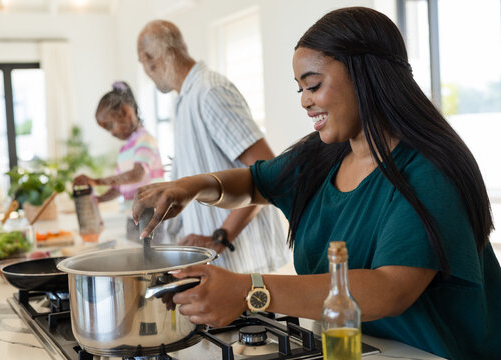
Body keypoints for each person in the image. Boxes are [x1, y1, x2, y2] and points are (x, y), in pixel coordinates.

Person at [132, 7, 501, 360]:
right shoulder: (326, 153)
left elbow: (389, 289)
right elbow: (253, 182)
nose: (305, 102)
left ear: (365, 74)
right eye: (300, 90)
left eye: (313, 85)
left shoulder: (430, 170)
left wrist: (251, 289)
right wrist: (191, 187)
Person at [135, 20, 290, 273]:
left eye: (143, 64)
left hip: (244, 265)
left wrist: (220, 238)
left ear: (148, 58)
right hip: (220, 268)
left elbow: (270, 172)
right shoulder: (184, 98)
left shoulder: (209, 91)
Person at [73, 81, 165, 240]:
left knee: (151, 262)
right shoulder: (124, 150)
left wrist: (97, 181)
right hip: (132, 218)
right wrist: (100, 199)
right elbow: (118, 187)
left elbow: (137, 174)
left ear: (126, 112)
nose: (111, 133)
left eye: (110, 126)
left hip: (151, 217)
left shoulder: (145, 140)